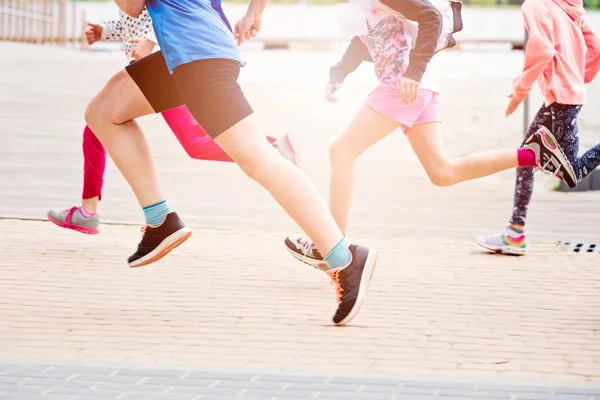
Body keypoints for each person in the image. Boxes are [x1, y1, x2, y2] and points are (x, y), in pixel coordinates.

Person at [82, 0, 377, 326]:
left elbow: (133, 6)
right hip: (189, 51)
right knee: (104, 110)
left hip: (197, 55)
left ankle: (345, 257)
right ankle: (160, 222)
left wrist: (255, 11)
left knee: (260, 161)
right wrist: (256, 10)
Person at [283, 0, 575, 268]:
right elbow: (364, 42)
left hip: (404, 86)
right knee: (443, 172)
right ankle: (532, 153)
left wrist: (413, 73)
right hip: (420, 87)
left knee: (341, 152)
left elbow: (431, 17)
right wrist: (338, 75)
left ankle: (332, 245)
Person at [47, 7, 296, 235]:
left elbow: (171, 12)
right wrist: (106, 30)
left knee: (195, 142)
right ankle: (88, 210)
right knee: (97, 124)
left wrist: (149, 41)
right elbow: (132, 21)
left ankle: (272, 149)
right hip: (152, 70)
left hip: (172, 64)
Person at [475, 0, 600, 255]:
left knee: (570, 175)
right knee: (526, 157)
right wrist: (579, 75)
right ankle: (514, 233)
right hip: (564, 97)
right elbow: (596, 47)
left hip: (562, 100)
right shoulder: (572, 6)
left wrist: (519, 92)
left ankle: (514, 234)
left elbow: (542, 51)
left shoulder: (535, 4)